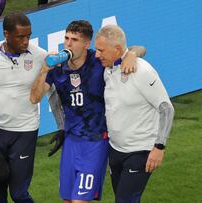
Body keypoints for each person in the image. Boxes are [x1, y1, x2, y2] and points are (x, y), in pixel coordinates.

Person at [30, 20, 145, 203]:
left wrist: (131, 54)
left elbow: (140, 48)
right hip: (71, 141)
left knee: (80, 201)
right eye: (66, 38)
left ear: (86, 44)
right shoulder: (57, 68)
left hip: (96, 141)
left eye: (74, 40)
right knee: (68, 200)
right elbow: (34, 98)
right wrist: (43, 70)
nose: (68, 44)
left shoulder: (99, 61)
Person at [0, 12, 64, 203]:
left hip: (25, 133)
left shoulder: (40, 56)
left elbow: (53, 93)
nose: (26, 41)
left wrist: (62, 126)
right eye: (20, 37)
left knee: (19, 194)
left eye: (28, 36)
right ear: (6, 34)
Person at [94, 25, 174, 203]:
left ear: (117, 49)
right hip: (115, 150)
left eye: (101, 50)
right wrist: (132, 53)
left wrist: (159, 147)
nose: (97, 54)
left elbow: (167, 109)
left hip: (140, 151)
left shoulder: (142, 72)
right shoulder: (107, 68)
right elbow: (138, 48)